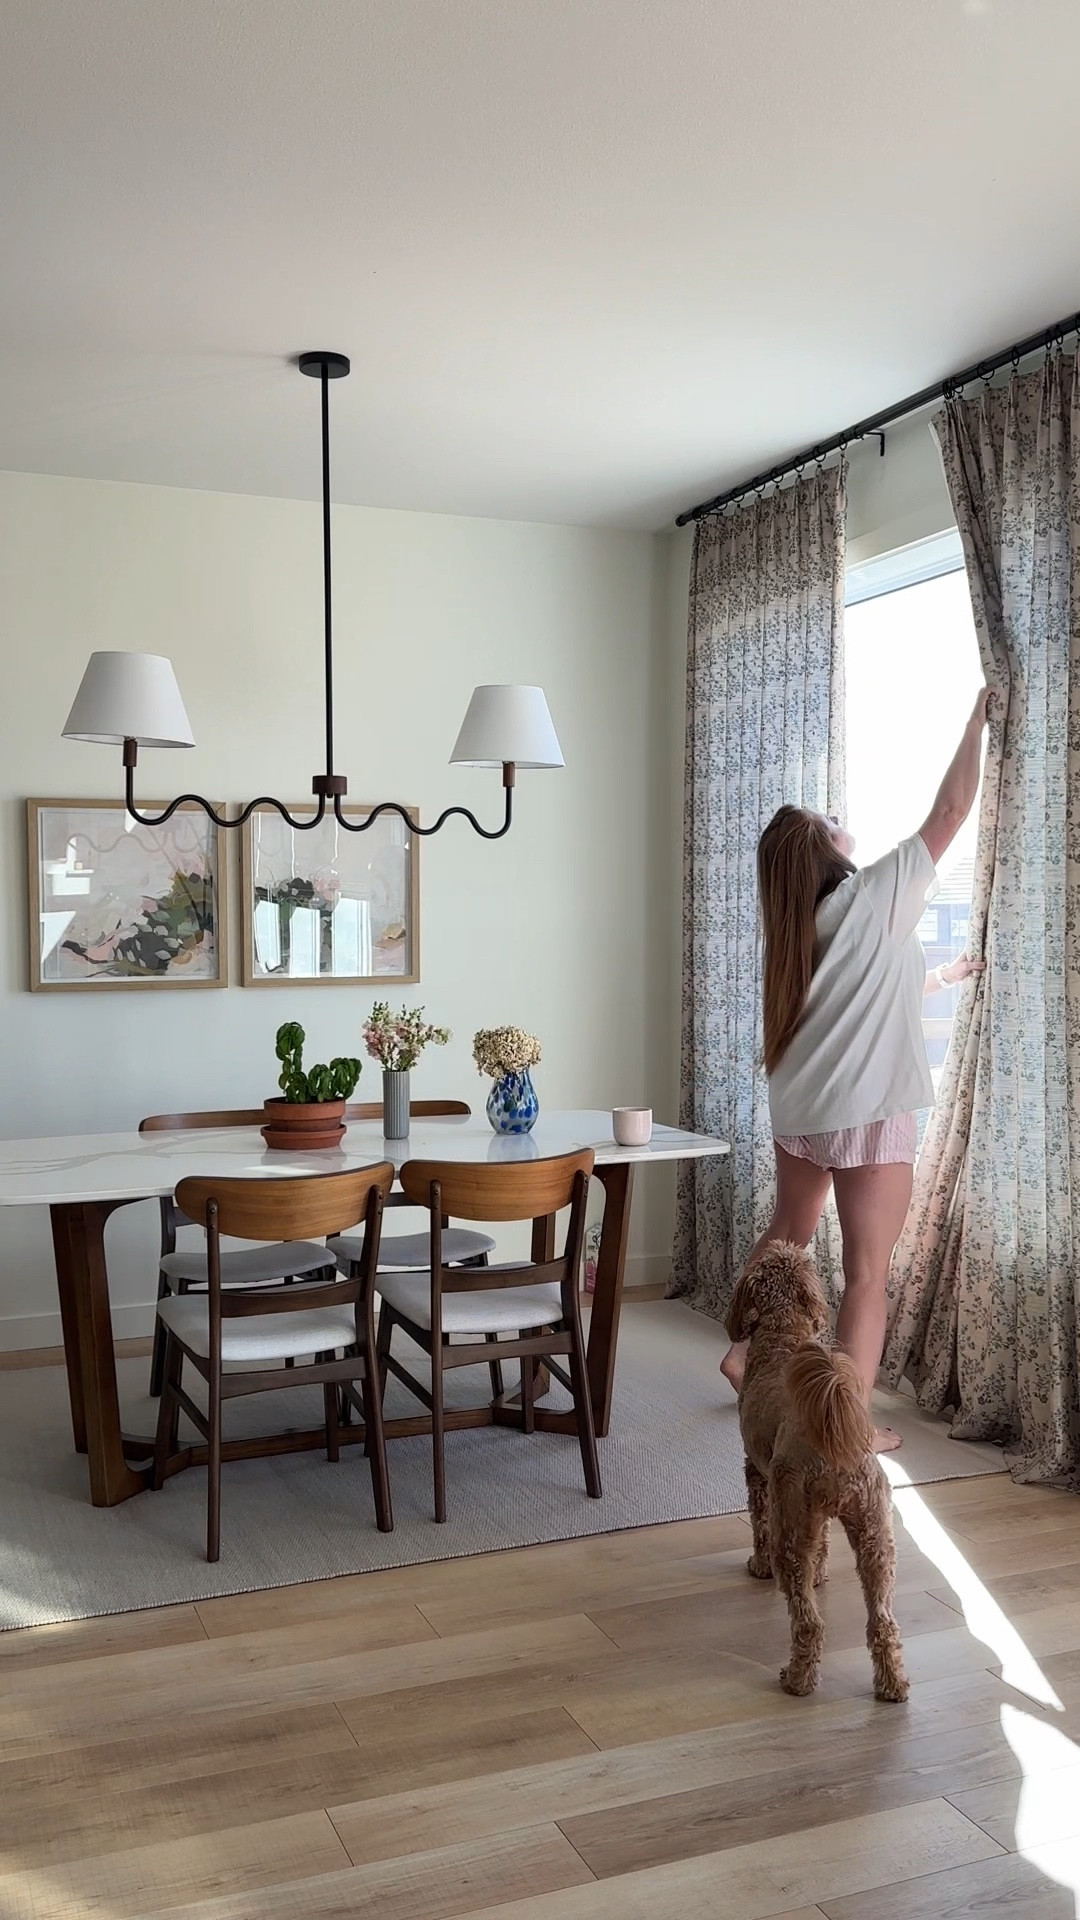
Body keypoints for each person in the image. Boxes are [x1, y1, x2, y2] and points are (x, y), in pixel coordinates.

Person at [720, 687, 994, 1451]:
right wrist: (974, 721)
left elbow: (861, 999)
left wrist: (940, 979)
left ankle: (744, 1351)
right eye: (833, 826)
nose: (846, 828)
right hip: (869, 1111)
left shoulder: (796, 936)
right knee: (866, 1277)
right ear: (825, 853)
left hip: (802, 1108)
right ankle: (848, 1427)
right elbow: (949, 812)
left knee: (788, 1237)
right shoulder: (873, 894)